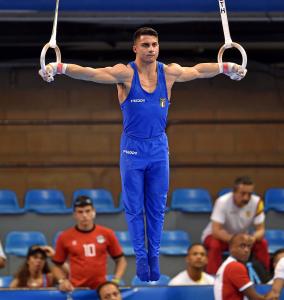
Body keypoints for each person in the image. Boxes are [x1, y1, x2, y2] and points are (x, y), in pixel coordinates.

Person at [39, 27, 247, 281]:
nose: (151, 49)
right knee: (135, 207)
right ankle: (140, 257)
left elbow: (199, 70)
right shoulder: (124, 74)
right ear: (135, 48)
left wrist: (228, 67)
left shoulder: (168, 73)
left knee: (157, 208)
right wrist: (58, 68)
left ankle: (153, 256)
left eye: (155, 44)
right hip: (132, 149)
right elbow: (91, 74)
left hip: (159, 147)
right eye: (146, 45)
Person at [51, 195, 127, 291]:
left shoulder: (107, 233)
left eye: (87, 211)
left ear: (93, 212)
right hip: (76, 289)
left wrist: (116, 280)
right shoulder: (64, 237)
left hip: (100, 290)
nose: (84, 215)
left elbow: (121, 260)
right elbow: (56, 266)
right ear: (74, 214)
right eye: (80, 212)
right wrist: (62, 281)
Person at [202, 176, 270, 275]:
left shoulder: (257, 202)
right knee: (214, 245)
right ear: (234, 192)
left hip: (242, 238)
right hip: (221, 237)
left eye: (249, 194)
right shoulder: (222, 201)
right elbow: (216, 231)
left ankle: (265, 276)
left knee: (262, 243)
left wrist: (252, 238)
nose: (246, 197)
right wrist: (234, 239)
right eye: (242, 194)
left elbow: (261, 230)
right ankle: (213, 277)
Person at [214, 233, 265, 300]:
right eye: (242, 246)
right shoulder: (234, 266)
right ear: (231, 248)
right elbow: (255, 298)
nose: (246, 250)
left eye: (249, 246)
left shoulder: (228, 264)